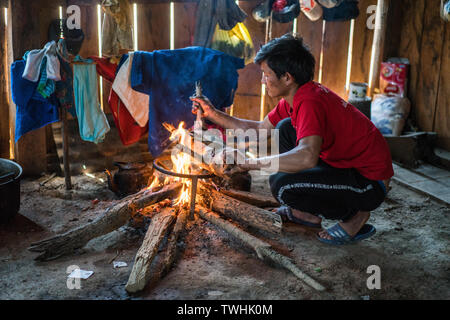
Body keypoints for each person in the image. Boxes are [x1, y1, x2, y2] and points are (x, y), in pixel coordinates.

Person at [190, 33, 394, 245]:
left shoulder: (310, 102)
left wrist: (249, 163)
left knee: (282, 185)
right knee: (285, 128)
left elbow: (306, 158)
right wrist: (212, 113)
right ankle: (306, 214)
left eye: (266, 75)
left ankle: (354, 216)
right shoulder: (295, 97)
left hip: (369, 182)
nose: (262, 81)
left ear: (287, 77)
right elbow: (260, 129)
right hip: (345, 165)